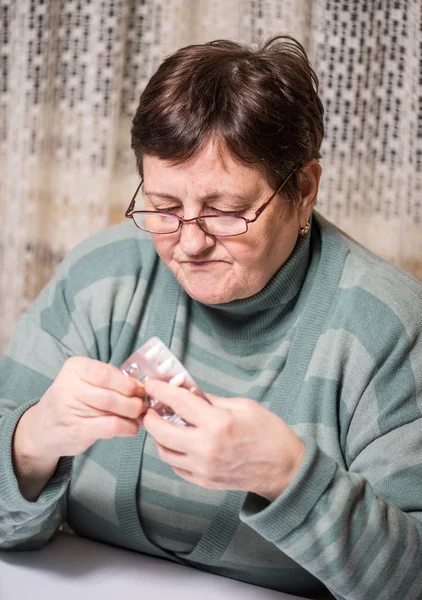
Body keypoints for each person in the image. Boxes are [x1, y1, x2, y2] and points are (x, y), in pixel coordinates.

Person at [0, 35, 421, 600]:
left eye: (225, 212)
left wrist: (288, 478)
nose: (189, 243)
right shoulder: (101, 278)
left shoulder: (387, 329)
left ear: (304, 191)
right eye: (165, 206)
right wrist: (30, 443)